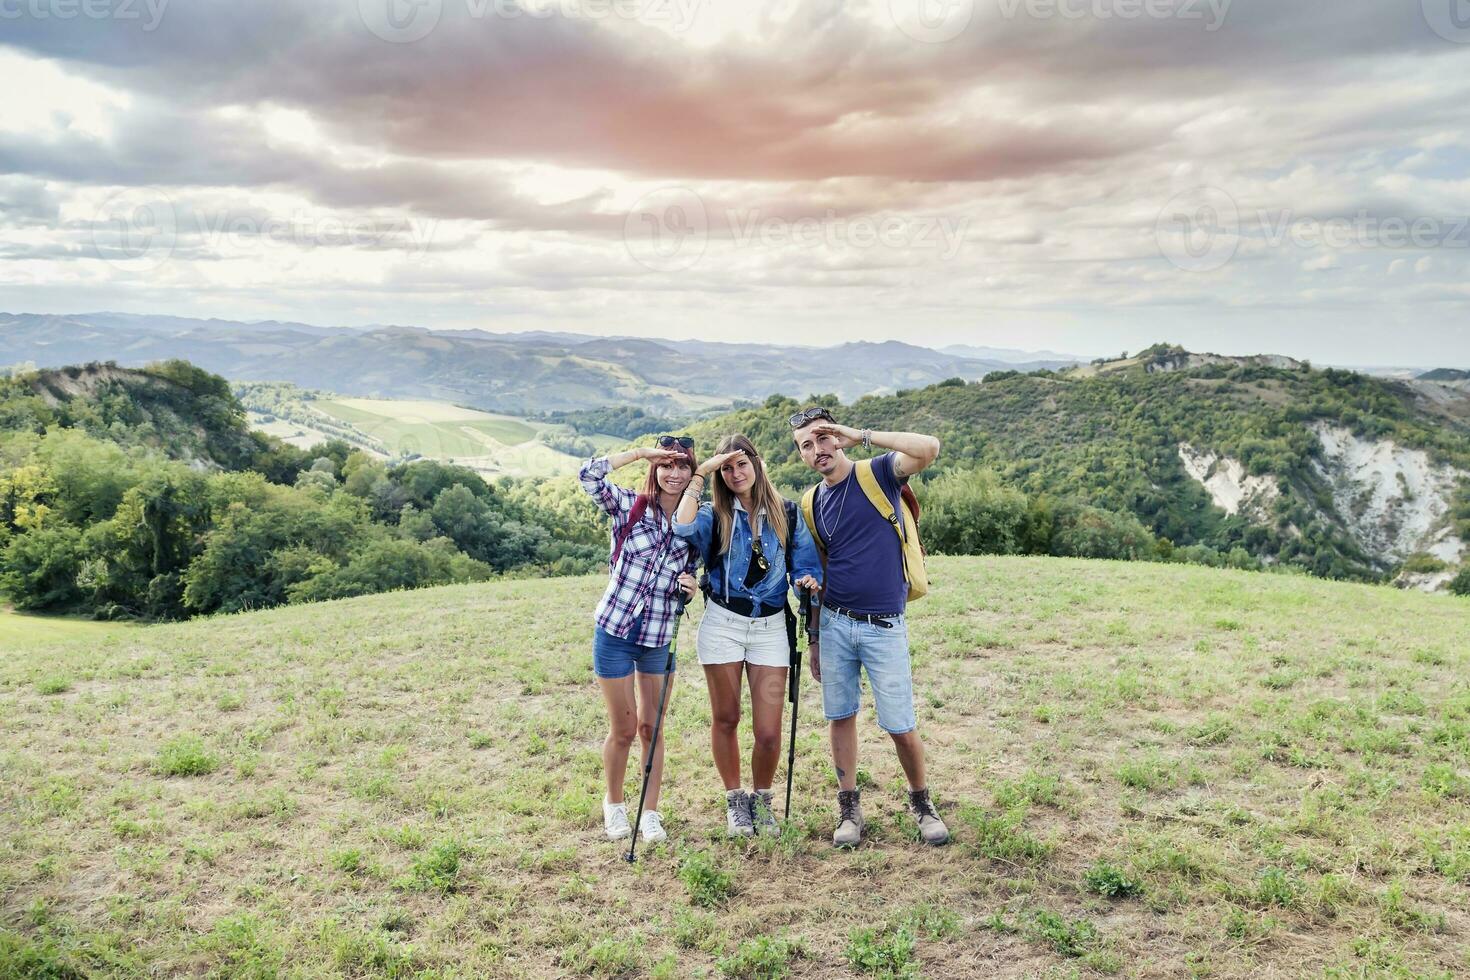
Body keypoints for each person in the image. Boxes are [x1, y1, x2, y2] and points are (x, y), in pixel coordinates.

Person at [789, 406, 950, 848]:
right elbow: (819, 573)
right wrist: (816, 638)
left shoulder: (877, 472)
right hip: (836, 624)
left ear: (836, 437)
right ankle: (849, 809)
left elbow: (929, 449)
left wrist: (859, 434)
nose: (818, 450)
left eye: (823, 438)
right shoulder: (811, 503)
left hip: (884, 625)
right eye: (807, 445)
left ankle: (921, 803)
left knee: (900, 723)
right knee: (840, 717)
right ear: (800, 454)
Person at [673, 434, 822, 837]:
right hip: (723, 624)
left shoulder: (787, 514)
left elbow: (804, 569)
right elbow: (681, 525)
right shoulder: (714, 514)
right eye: (727, 467)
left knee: (769, 731)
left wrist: (806, 583)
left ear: (756, 464)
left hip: (771, 626)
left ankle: (762, 800)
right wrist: (700, 474)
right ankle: (735, 800)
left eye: (741, 464)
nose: (736, 473)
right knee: (726, 717)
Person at [578, 437, 701, 845]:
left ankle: (650, 812)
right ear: (655, 468)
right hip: (614, 631)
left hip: (658, 636)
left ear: (692, 472)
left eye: (682, 466)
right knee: (625, 728)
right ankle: (614, 805)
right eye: (666, 465)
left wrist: (693, 584)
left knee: (652, 727)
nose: (673, 473)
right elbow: (588, 475)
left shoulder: (697, 521)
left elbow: (708, 568)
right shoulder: (629, 505)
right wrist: (638, 454)